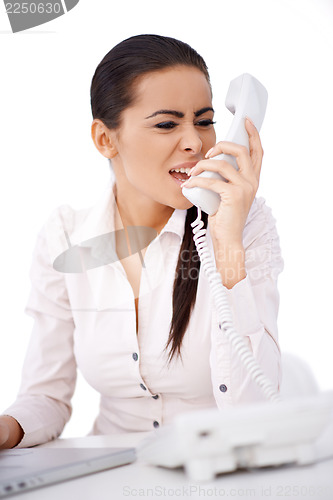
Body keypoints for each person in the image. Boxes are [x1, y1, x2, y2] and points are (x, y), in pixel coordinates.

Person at [0, 34, 283, 449]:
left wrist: (226, 244)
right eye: (167, 124)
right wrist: (8, 429)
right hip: (107, 473)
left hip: (218, 472)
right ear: (105, 139)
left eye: (205, 121)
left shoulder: (245, 224)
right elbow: (45, 396)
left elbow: (256, 412)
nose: (194, 142)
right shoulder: (65, 237)